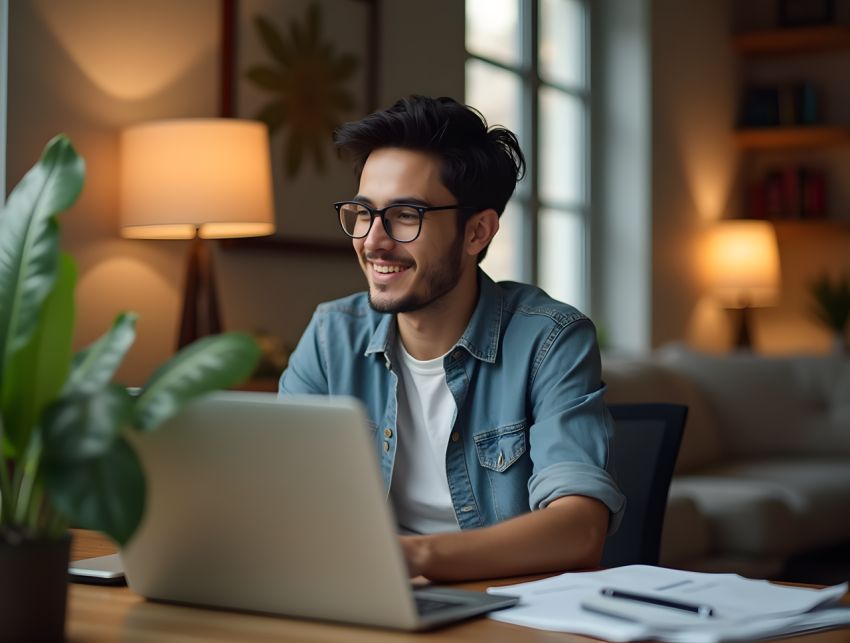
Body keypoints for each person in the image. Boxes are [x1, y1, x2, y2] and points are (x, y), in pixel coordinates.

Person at [279, 95, 624, 582]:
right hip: (356, 596)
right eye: (363, 212)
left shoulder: (550, 340)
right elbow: (275, 494)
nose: (373, 240)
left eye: (404, 214)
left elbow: (579, 530)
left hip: (501, 612)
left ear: (477, 232)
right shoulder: (331, 335)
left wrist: (412, 559)